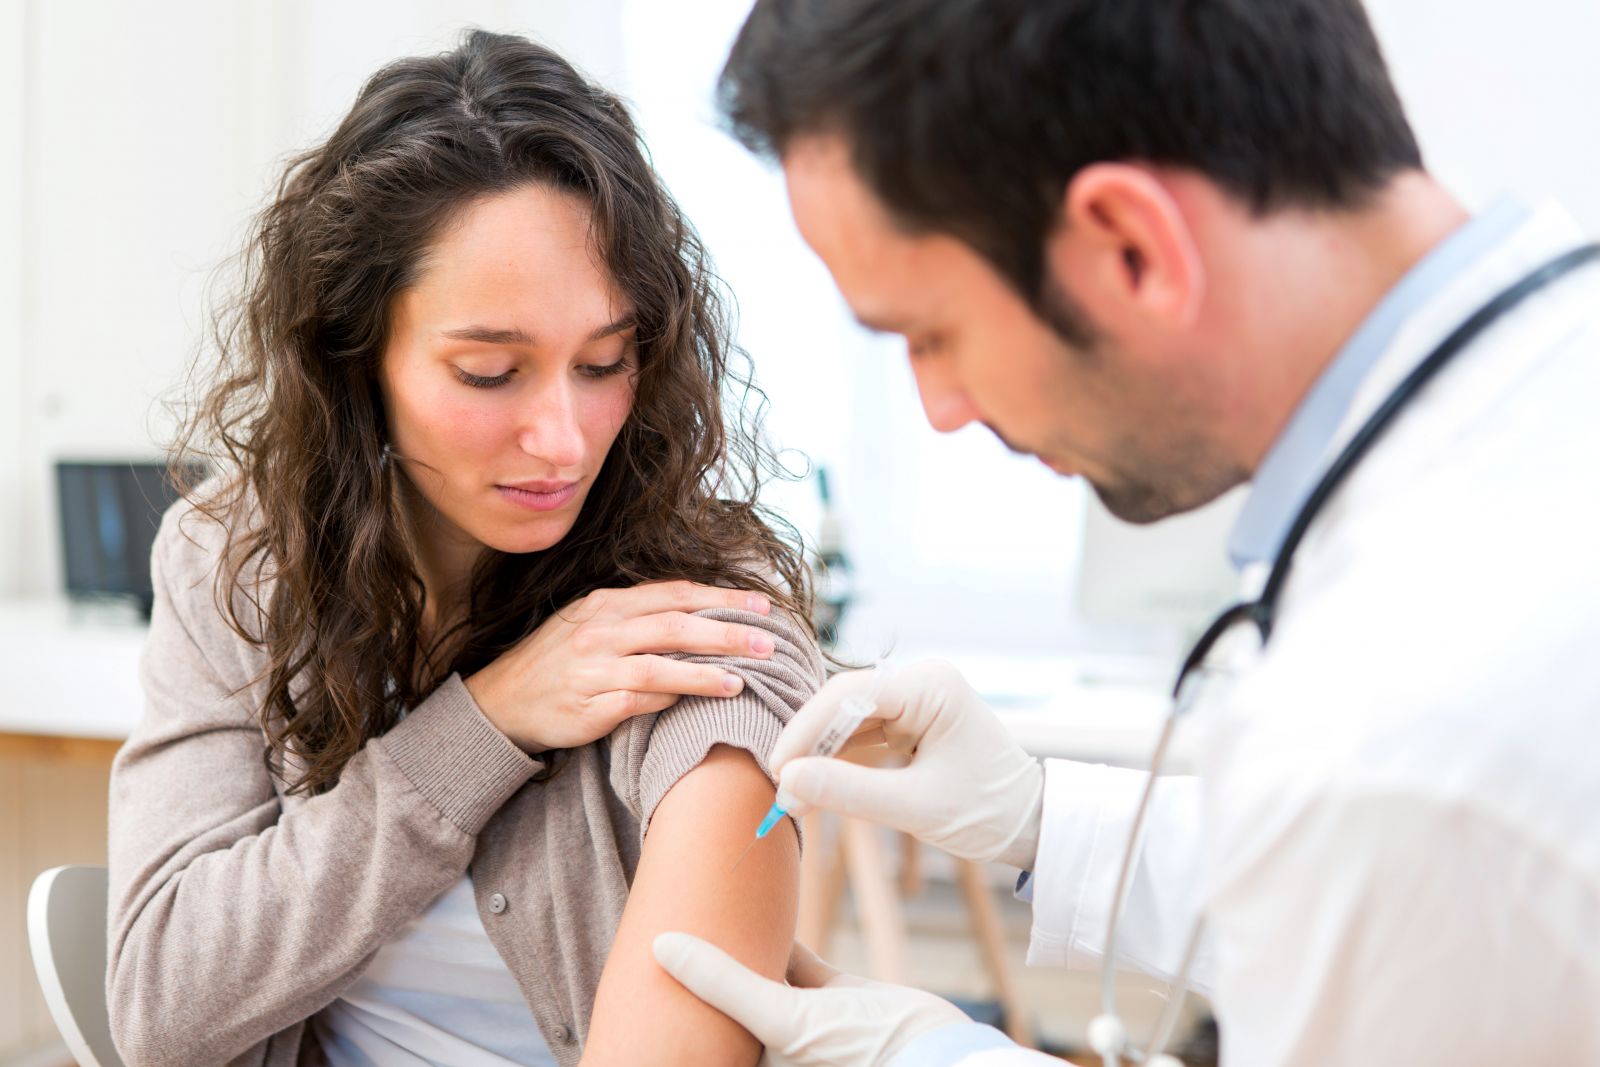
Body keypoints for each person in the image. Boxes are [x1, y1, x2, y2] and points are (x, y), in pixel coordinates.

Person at [652, 0, 1600, 1064]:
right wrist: (1042, 818)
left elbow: (1397, 831)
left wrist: (944, 1055)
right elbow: (1446, 917)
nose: (940, 408)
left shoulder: (1391, 731)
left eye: (930, 333)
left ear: (1132, 247)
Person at [107, 30, 823, 1067]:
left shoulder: (695, 617)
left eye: (605, 361)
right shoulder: (238, 561)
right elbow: (164, 1005)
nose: (564, 438)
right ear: (355, 359)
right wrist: (484, 724)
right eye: (490, 371)